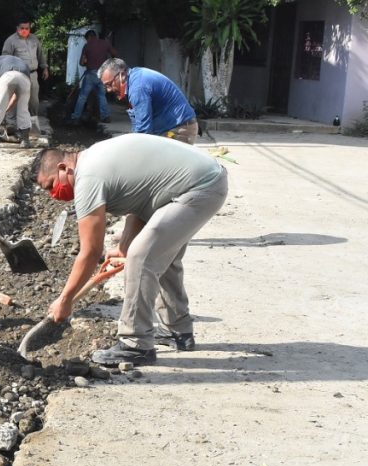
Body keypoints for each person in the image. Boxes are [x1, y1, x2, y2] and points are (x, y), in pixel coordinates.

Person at [30, 133, 228, 365]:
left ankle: (136, 344)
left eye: (51, 185)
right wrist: (124, 244)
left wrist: (65, 299)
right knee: (162, 255)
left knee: (142, 258)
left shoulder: (87, 177)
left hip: (199, 187)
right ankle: (177, 330)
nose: (53, 194)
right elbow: (140, 199)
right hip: (203, 180)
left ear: (64, 168)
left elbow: (90, 252)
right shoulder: (95, 159)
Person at [98, 58, 199, 144]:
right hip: (170, 128)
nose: (109, 90)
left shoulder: (138, 87)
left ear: (122, 75)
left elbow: (143, 130)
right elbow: (137, 123)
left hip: (180, 131)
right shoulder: (134, 79)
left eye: (109, 84)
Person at [1, 19, 48, 122]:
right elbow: (5, 59)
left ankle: (33, 122)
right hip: (18, 75)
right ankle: (11, 124)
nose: (24, 30)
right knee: (16, 99)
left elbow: (41, 54)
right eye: (22, 28)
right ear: (17, 28)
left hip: (33, 74)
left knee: (34, 100)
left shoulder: (34, 39)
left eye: (27, 28)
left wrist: (44, 68)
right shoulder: (10, 41)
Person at [0, 55, 32, 147]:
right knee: (23, 109)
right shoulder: (19, 61)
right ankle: (25, 141)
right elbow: (16, 97)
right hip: (25, 78)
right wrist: (6, 110)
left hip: (7, 76)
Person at [69, 30, 117, 125]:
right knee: (101, 95)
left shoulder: (87, 46)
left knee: (82, 96)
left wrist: (87, 61)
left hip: (91, 74)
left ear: (89, 37)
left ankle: (76, 118)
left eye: (86, 39)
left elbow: (81, 63)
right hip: (103, 74)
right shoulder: (105, 43)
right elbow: (115, 53)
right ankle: (105, 117)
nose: (87, 41)